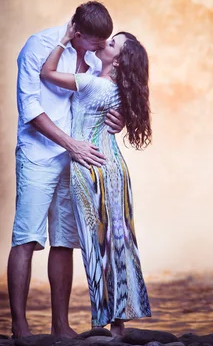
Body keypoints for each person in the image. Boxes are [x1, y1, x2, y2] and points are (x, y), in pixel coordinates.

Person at [9, 1, 125, 338]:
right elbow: (29, 106)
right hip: (37, 154)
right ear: (75, 28)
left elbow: (101, 97)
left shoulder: (94, 55)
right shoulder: (38, 46)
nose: (100, 48)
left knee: (64, 242)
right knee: (26, 237)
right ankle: (19, 326)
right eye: (93, 42)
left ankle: (61, 326)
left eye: (103, 43)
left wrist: (117, 121)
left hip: (75, 160)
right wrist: (69, 143)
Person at [40, 22, 152, 336]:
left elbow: (47, 73)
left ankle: (105, 321)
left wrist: (63, 39)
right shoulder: (113, 87)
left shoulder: (94, 85)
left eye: (113, 45)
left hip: (89, 168)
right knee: (118, 242)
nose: (105, 44)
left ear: (117, 61)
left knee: (95, 244)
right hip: (113, 167)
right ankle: (118, 325)